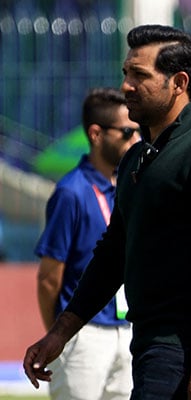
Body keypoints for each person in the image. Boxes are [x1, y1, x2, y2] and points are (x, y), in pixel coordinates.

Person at [23, 24, 191, 399]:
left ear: (178, 82)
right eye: (125, 73)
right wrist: (60, 332)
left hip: (184, 347)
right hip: (148, 341)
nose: (127, 86)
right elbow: (112, 254)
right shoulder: (138, 157)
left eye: (140, 75)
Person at [34, 87, 140, 400]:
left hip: (127, 330)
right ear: (96, 134)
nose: (136, 140)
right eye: (127, 132)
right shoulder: (71, 192)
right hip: (83, 335)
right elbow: (49, 277)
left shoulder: (129, 186)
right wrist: (59, 333)